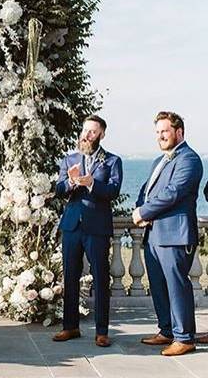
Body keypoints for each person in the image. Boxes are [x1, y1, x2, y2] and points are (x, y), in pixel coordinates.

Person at [134, 112, 202, 356]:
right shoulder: (158, 161)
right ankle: (167, 331)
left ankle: (184, 338)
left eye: (164, 131)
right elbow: (146, 190)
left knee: (176, 286)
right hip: (154, 234)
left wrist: (144, 211)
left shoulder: (190, 159)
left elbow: (174, 193)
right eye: (157, 132)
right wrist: (140, 209)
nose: (160, 136)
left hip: (175, 234)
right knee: (158, 285)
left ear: (179, 132)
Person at [53, 114, 122, 347]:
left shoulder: (112, 161)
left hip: (97, 227)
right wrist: (71, 183)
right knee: (70, 276)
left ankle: (102, 331)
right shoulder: (70, 158)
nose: (86, 135)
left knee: (101, 279)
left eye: (92, 131)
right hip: (72, 226)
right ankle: (70, 327)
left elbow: (113, 191)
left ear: (101, 134)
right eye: (84, 130)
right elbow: (59, 189)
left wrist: (91, 183)